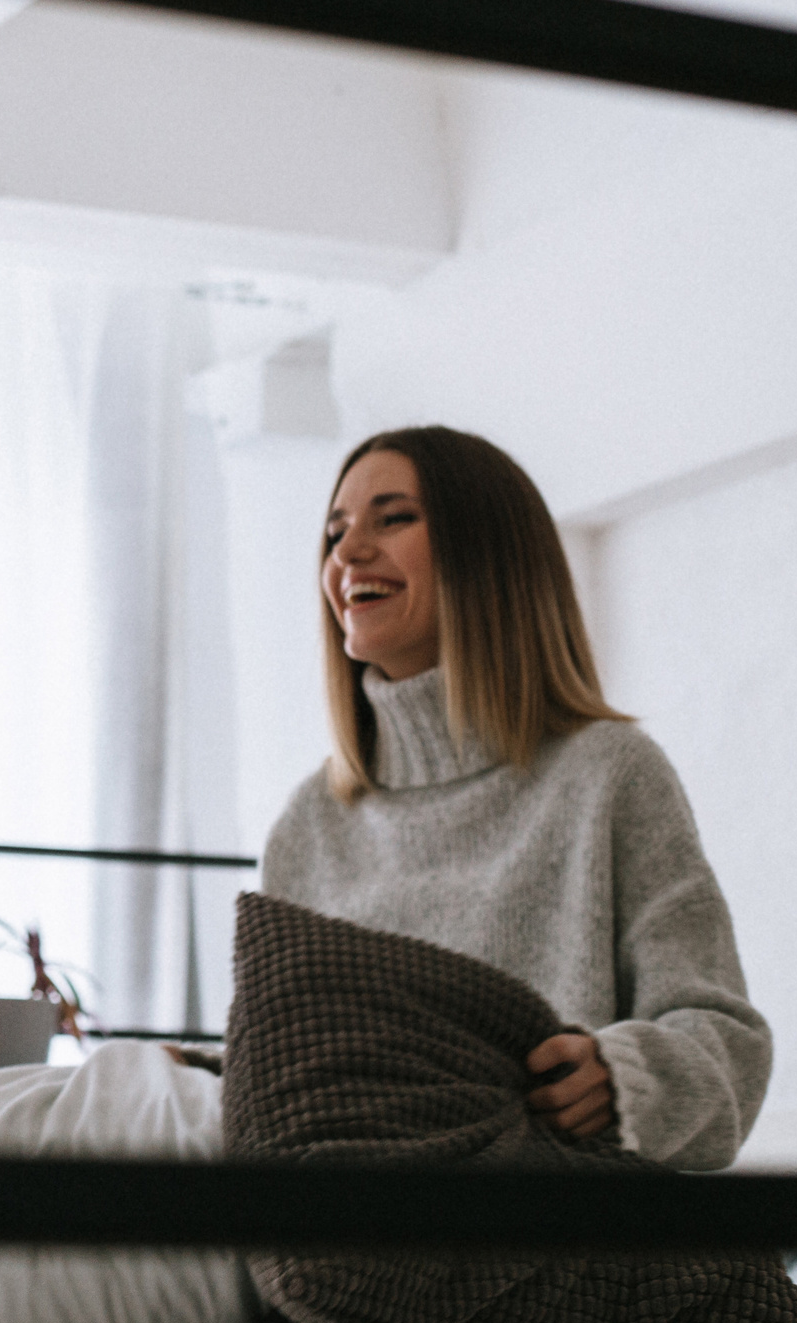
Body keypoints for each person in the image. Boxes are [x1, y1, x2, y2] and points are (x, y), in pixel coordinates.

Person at [261, 426, 769, 1168]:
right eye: (335, 533)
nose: (348, 553)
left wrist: (623, 1078)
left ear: (487, 554)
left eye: (393, 518)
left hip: (548, 1219)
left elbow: (728, 1046)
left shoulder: (609, 775)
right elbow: (288, 1082)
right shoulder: (308, 826)